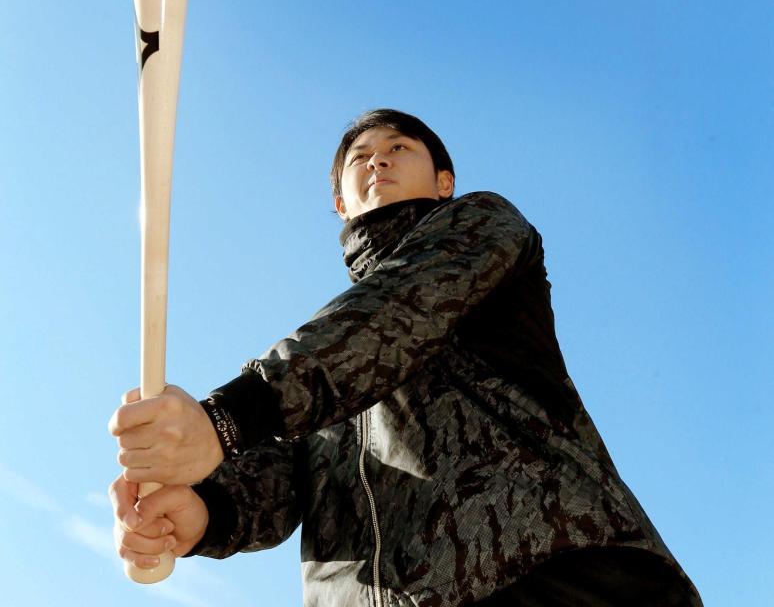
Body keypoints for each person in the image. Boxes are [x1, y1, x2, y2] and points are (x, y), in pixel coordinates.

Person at [109, 109, 703, 606]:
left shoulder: (482, 224)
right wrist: (204, 510)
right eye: (359, 156)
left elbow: (400, 310)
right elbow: (287, 479)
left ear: (444, 180)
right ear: (339, 202)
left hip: (558, 578)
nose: (378, 160)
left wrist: (227, 417)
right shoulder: (324, 367)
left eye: (398, 147)